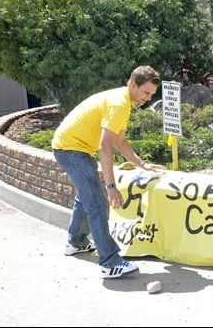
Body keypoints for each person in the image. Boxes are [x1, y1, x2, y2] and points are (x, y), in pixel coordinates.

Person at [52, 65, 166, 279]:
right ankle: (109, 263)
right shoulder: (119, 103)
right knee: (96, 203)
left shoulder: (124, 101)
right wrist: (111, 187)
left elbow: (120, 141)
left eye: (151, 94)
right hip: (70, 149)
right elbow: (106, 146)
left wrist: (142, 164)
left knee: (86, 197)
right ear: (133, 84)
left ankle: (74, 242)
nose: (149, 98)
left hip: (76, 148)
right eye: (146, 92)